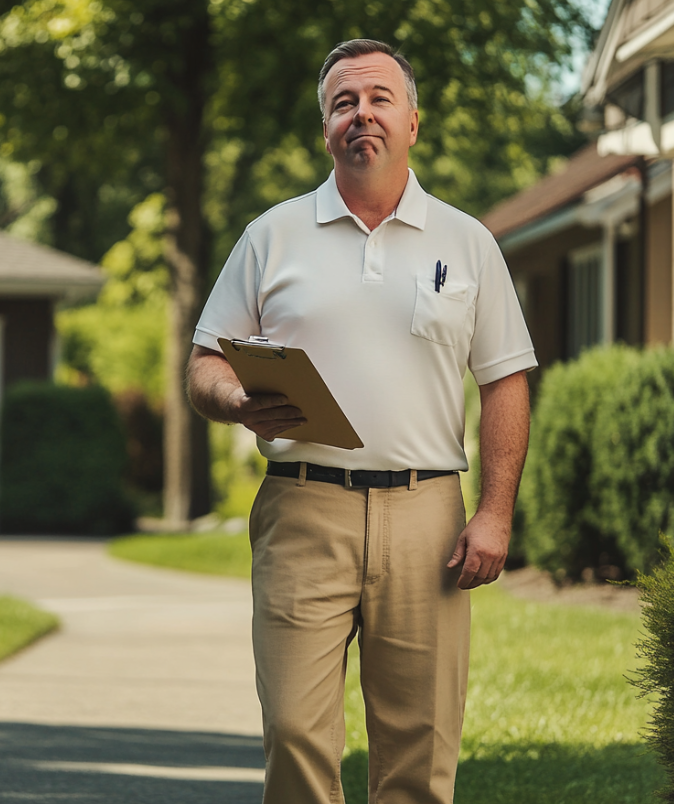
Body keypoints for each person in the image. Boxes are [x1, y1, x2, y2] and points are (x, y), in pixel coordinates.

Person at [185, 39, 535, 804]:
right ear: (325, 129)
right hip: (302, 506)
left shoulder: (467, 241)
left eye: (378, 98)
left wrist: (495, 513)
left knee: (420, 744)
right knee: (294, 730)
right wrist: (237, 400)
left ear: (412, 120)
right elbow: (203, 366)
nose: (361, 114)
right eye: (343, 102)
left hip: (429, 517)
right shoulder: (270, 236)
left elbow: (505, 379)